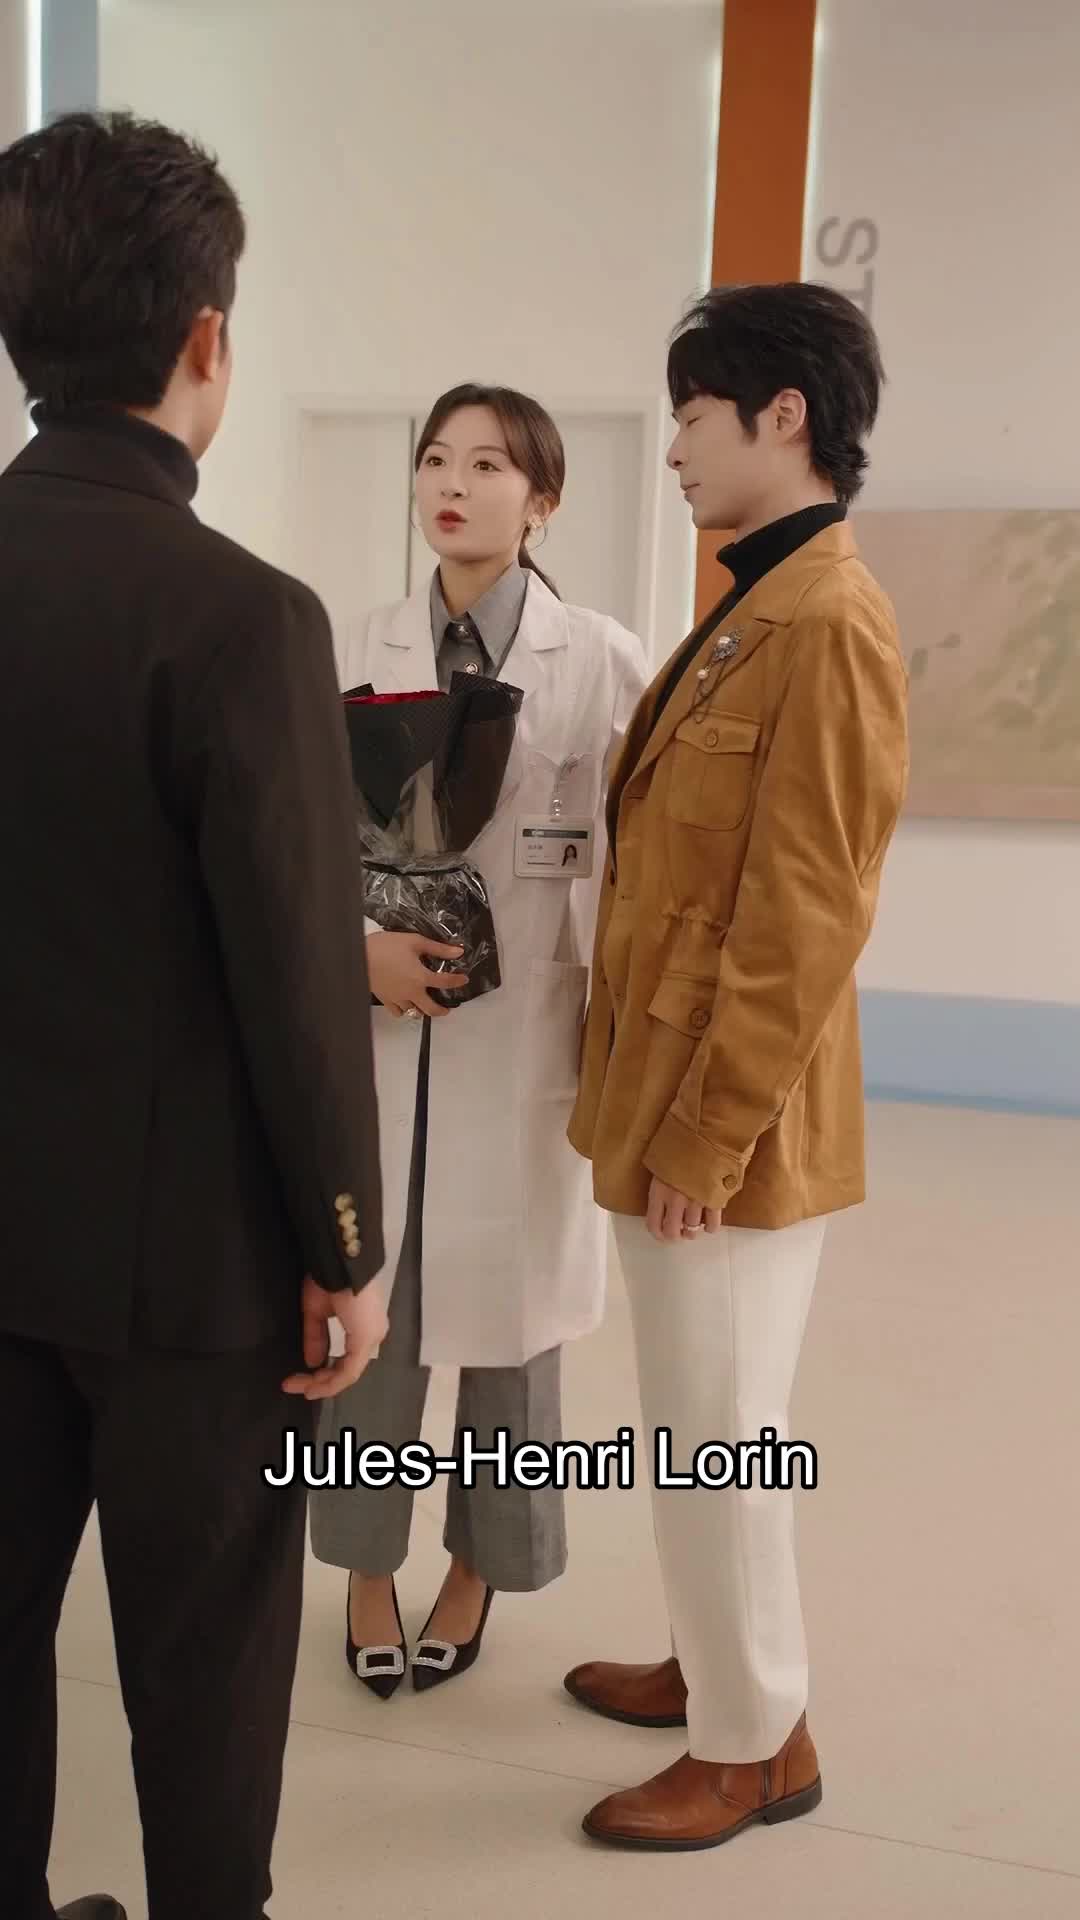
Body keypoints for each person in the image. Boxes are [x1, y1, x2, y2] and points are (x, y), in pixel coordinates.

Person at [0, 113, 388, 1920]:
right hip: (191, 1278)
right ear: (206, 337)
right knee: (204, 1670)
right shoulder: (242, 618)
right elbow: (300, 972)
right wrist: (345, 1243)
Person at [563, 283, 909, 1850]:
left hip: (731, 1127)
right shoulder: (762, 599)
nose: (678, 450)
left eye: (694, 418)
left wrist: (706, 1139)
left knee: (719, 1435)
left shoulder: (826, 619)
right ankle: (718, 1663)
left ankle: (755, 1742)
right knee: (700, 1419)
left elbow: (806, 916)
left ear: (785, 416)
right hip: (674, 1095)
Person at [310, 383, 647, 1696]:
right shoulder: (356, 644)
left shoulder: (601, 661)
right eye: (436, 460)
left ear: (541, 500)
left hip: (525, 1038)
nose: (453, 484)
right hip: (381, 1031)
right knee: (372, 1321)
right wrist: (358, 950)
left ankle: (477, 1569)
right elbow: (298, 838)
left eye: (490, 465)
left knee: (513, 1333)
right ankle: (366, 1569)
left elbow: (637, 862)